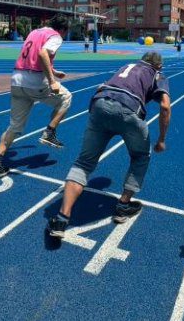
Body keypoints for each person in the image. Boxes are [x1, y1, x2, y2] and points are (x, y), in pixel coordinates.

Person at [46, 52, 171, 236]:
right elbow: (165, 106)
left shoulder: (126, 67)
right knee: (140, 157)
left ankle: (61, 219)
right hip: (128, 111)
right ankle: (123, 206)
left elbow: (100, 88)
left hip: (100, 104)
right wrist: (161, 139)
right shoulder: (158, 75)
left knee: (84, 162)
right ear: (158, 66)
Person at [0, 15, 73, 180]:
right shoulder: (55, 36)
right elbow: (42, 54)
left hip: (17, 80)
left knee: (14, 127)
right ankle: (49, 132)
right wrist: (52, 81)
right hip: (35, 81)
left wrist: (53, 71)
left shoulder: (34, 32)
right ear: (63, 30)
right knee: (66, 98)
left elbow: (32, 56)